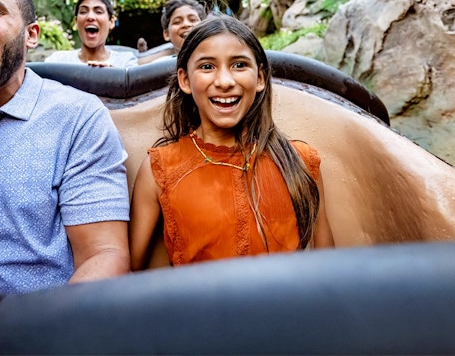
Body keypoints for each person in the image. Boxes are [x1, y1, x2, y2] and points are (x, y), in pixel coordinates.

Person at [129, 15, 334, 269]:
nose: (225, 81)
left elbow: (328, 268)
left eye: (239, 65)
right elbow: (133, 275)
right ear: (185, 80)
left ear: (260, 78)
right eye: (207, 67)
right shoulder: (160, 170)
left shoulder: (300, 161)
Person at [0, 0, 130, 294]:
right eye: (84, 11)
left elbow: (104, 254)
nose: (91, 18)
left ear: (31, 35)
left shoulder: (76, 117)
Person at [45, 0, 137, 67]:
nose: (90, 17)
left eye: (98, 12)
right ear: (76, 22)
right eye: (83, 11)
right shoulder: (57, 61)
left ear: (111, 21)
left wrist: (114, 77)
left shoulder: (125, 62)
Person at [137, 0, 207, 65]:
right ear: (166, 34)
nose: (186, 24)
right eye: (177, 22)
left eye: (192, 20)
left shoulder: (216, 55)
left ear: (204, 27)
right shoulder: (158, 67)